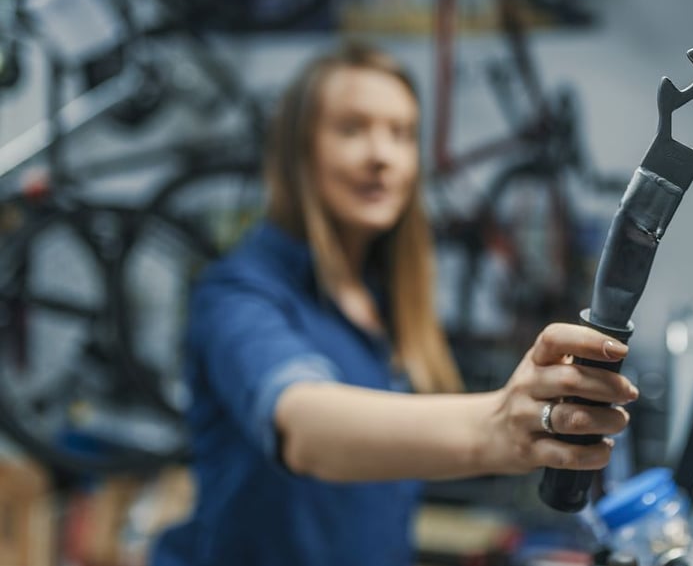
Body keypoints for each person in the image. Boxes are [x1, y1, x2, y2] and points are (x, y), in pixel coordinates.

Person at [151, 42, 638, 566]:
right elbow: (306, 426)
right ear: (298, 152)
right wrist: (495, 426)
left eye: (401, 133)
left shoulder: (380, 300)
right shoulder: (239, 294)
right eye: (351, 129)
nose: (381, 155)